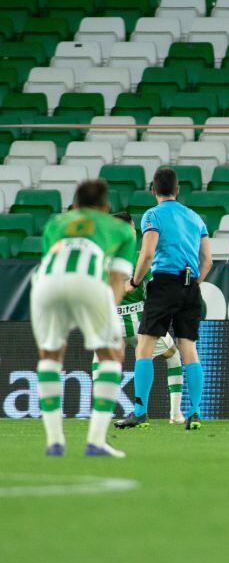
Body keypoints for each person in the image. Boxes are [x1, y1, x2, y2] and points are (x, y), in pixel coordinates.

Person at [32, 179, 135, 457]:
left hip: (45, 282)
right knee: (111, 355)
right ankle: (96, 441)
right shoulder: (120, 228)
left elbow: (52, 258)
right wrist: (107, 314)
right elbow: (116, 278)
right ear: (106, 206)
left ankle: (54, 441)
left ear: (75, 205)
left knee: (50, 355)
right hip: (89, 281)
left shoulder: (56, 223)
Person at [121, 167, 212, 431]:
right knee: (189, 350)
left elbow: (147, 254)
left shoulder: (153, 215)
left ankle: (140, 412)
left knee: (144, 348)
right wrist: (193, 283)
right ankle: (194, 413)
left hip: (163, 284)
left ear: (153, 190)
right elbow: (207, 259)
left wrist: (135, 282)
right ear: (178, 189)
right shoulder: (195, 217)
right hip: (190, 286)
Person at [100, 212, 185, 427]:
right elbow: (152, 289)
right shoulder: (140, 256)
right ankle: (175, 414)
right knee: (173, 357)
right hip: (139, 321)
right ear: (131, 229)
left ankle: (100, 412)